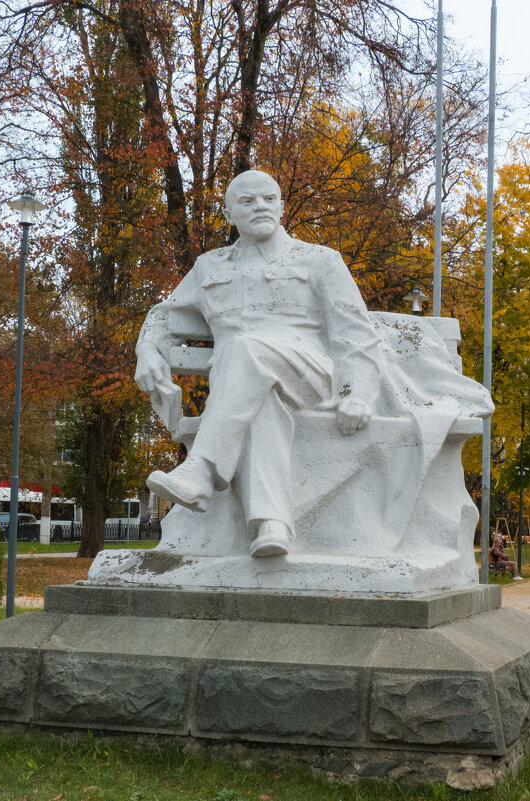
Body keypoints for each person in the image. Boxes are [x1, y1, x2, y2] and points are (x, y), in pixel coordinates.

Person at [135, 171, 385, 558]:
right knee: (259, 398)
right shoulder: (209, 267)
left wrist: (356, 394)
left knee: (242, 348)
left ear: (282, 206)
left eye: (269, 199)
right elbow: (164, 315)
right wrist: (147, 349)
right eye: (248, 202)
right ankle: (272, 526)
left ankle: (201, 470)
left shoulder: (319, 260)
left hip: (310, 375)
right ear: (230, 213)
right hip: (245, 385)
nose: (260, 207)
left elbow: (356, 334)